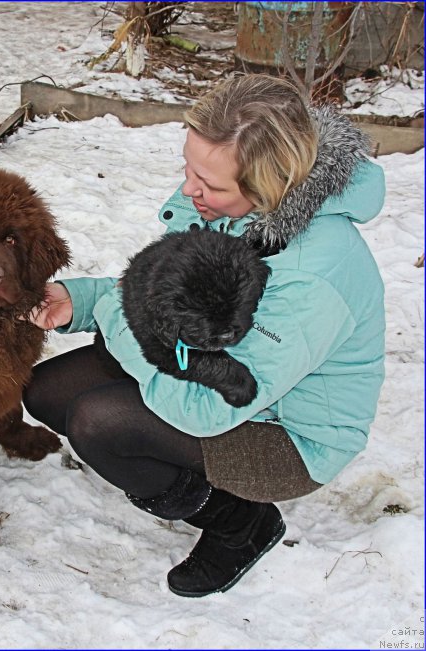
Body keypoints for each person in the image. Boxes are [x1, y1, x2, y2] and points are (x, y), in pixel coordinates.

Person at [23, 74, 386, 598]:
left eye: (210, 184)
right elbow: (164, 295)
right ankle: (190, 480)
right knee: (46, 391)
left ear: (270, 184)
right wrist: (82, 300)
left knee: (99, 422)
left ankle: (241, 524)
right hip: (217, 365)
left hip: (288, 435)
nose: (191, 190)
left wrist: (116, 316)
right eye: (189, 169)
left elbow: (208, 408)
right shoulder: (238, 209)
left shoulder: (313, 278)